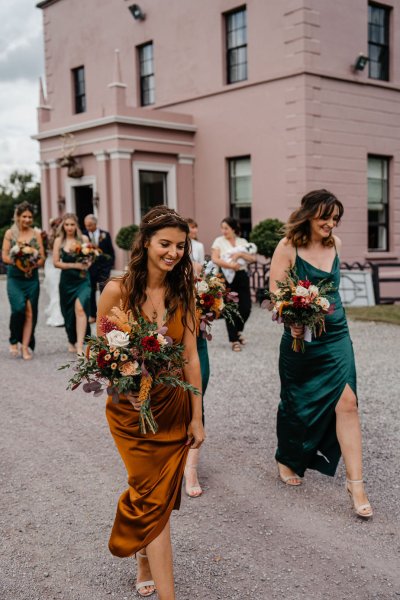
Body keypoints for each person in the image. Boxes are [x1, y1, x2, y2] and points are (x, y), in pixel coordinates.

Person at [97, 205, 205, 599]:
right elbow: (104, 357)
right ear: (144, 242)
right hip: (131, 413)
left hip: (174, 406)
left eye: (180, 245)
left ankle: (144, 559)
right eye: (165, 243)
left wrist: (197, 418)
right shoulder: (117, 290)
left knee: (161, 497)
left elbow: (191, 356)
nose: (173, 252)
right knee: (150, 495)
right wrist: (132, 363)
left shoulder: (183, 290)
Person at [269, 189, 372, 519]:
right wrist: (291, 318)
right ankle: (287, 457)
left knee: (348, 402)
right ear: (309, 214)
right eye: (325, 217)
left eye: (335, 218)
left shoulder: (336, 245)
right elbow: (275, 292)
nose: (331, 223)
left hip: (336, 335)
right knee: (296, 399)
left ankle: (356, 485)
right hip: (301, 339)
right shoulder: (288, 247)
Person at [185, 217, 209, 498]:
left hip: (197, 342)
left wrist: (213, 303)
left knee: (197, 395)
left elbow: (211, 291)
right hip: (165, 347)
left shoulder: (199, 259)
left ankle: (191, 465)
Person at [1, 201, 45, 360]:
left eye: (30, 217)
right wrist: (18, 262)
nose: (27, 219)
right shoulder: (10, 234)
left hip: (31, 278)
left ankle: (25, 346)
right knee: (18, 308)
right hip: (15, 278)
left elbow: (42, 257)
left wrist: (33, 263)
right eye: (24, 216)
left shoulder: (36, 234)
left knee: (30, 312)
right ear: (18, 217)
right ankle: (13, 339)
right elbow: (5, 256)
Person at [211, 217, 257, 351]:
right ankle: (234, 340)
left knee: (246, 307)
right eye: (222, 228)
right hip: (226, 277)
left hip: (242, 276)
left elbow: (252, 258)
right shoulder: (218, 241)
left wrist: (240, 255)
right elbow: (215, 259)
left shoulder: (242, 242)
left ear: (233, 229)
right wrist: (230, 265)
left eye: (226, 228)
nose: (223, 231)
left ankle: (237, 331)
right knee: (230, 308)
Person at [53, 213, 92, 355]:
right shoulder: (59, 241)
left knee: (81, 309)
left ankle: (80, 345)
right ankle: (71, 339)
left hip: (83, 280)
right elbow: (56, 263)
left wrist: (88, 263)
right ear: (63, 226)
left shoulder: (84, 239)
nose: (69, 227)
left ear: (76, 225)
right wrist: (75, 265)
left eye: (72, 224)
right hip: (67, 282)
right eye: (66, 224)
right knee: (68, 314)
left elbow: (90, 258)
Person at [83, 214, 115, 322]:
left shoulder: (105, 234)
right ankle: (92, 315)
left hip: (103, 269)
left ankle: (104, 315)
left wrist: (108, 267)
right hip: (90, 269)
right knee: (91, 292)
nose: (88, 228)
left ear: (95, 224)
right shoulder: (84, 235)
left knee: (104, 292)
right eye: (86, 226)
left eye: (90, 225)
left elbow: (111, 253)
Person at [43, 217, 64, 327]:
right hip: (51, 264)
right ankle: (57, 316)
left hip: (59, 264)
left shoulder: (63, 237)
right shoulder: (48, 237)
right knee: (54, 290)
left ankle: (61, 314)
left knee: (58, 290)